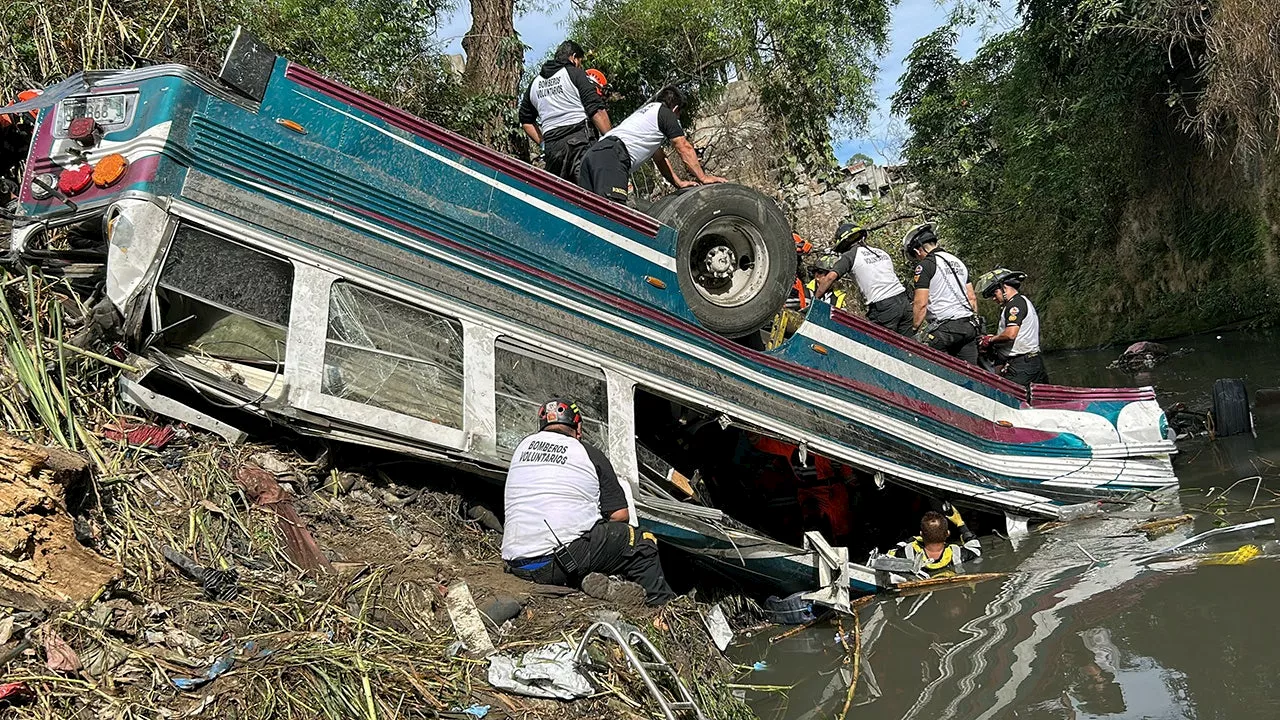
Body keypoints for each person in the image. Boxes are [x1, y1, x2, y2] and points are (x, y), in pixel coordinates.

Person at [501, 398, 676, 606]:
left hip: (516, 562)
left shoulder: (522, 449)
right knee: (641, 542)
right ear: (579, 428)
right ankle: (661, 609)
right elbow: (620, 515)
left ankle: (592, 582)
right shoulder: (586, 452)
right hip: (556, 563)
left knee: (584, 538)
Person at [577, 85, 726, 203]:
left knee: (589, 214)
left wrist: (679, 183)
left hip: (592, 155)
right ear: (675, 108)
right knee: (611, 216)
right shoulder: (666, 114)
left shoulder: (646, 114)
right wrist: (703, 177)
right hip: (611, 158)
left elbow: (660, 158)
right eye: (679, 113)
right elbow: (683, 147)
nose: (678, 117)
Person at [518, 41, 613, 182]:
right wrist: (612, 140)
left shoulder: (535, 83)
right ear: (574, 58)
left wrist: (543, 142)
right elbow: (596, 111)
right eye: (580, 62)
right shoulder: (575, 74)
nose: (580, 66)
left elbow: (525, 120)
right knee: (591, 192)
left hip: (553, 150)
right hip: (580, 144)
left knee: (563, 196)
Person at [902, 223, 981, 364]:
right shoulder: (958, 262)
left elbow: (921, 304)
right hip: (968, 327)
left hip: (945, 331)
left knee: (925, 365)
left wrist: (913, 329)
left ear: (918, 250)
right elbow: (972, 298)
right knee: (970, 375)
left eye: (915, 256)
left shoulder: (925, 265)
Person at [811, 223, 911, 332]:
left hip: (883, 307)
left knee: (875, 344)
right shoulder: (881, 252)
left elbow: (830, 277)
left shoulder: (849, 256)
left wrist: (815, 299)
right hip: (904, 301)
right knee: (908, 345)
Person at [976, 268, 1050, 386]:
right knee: (1040, 400)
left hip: (1022, 365)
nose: (993, 298)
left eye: (994, 293)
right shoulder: (1021, 301)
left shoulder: (1014, 305)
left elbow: (1010, 334)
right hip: (1032, 361)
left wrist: (990, 340)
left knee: (1008, 398)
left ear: (1004, 287)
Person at [889, 504, 981, 577]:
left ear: (921, 534)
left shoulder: (907, 553)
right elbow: (976, 548)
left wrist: (910, 540)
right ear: (947, 534)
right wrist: (960, 523)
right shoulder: (957, 553)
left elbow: (890, 554)